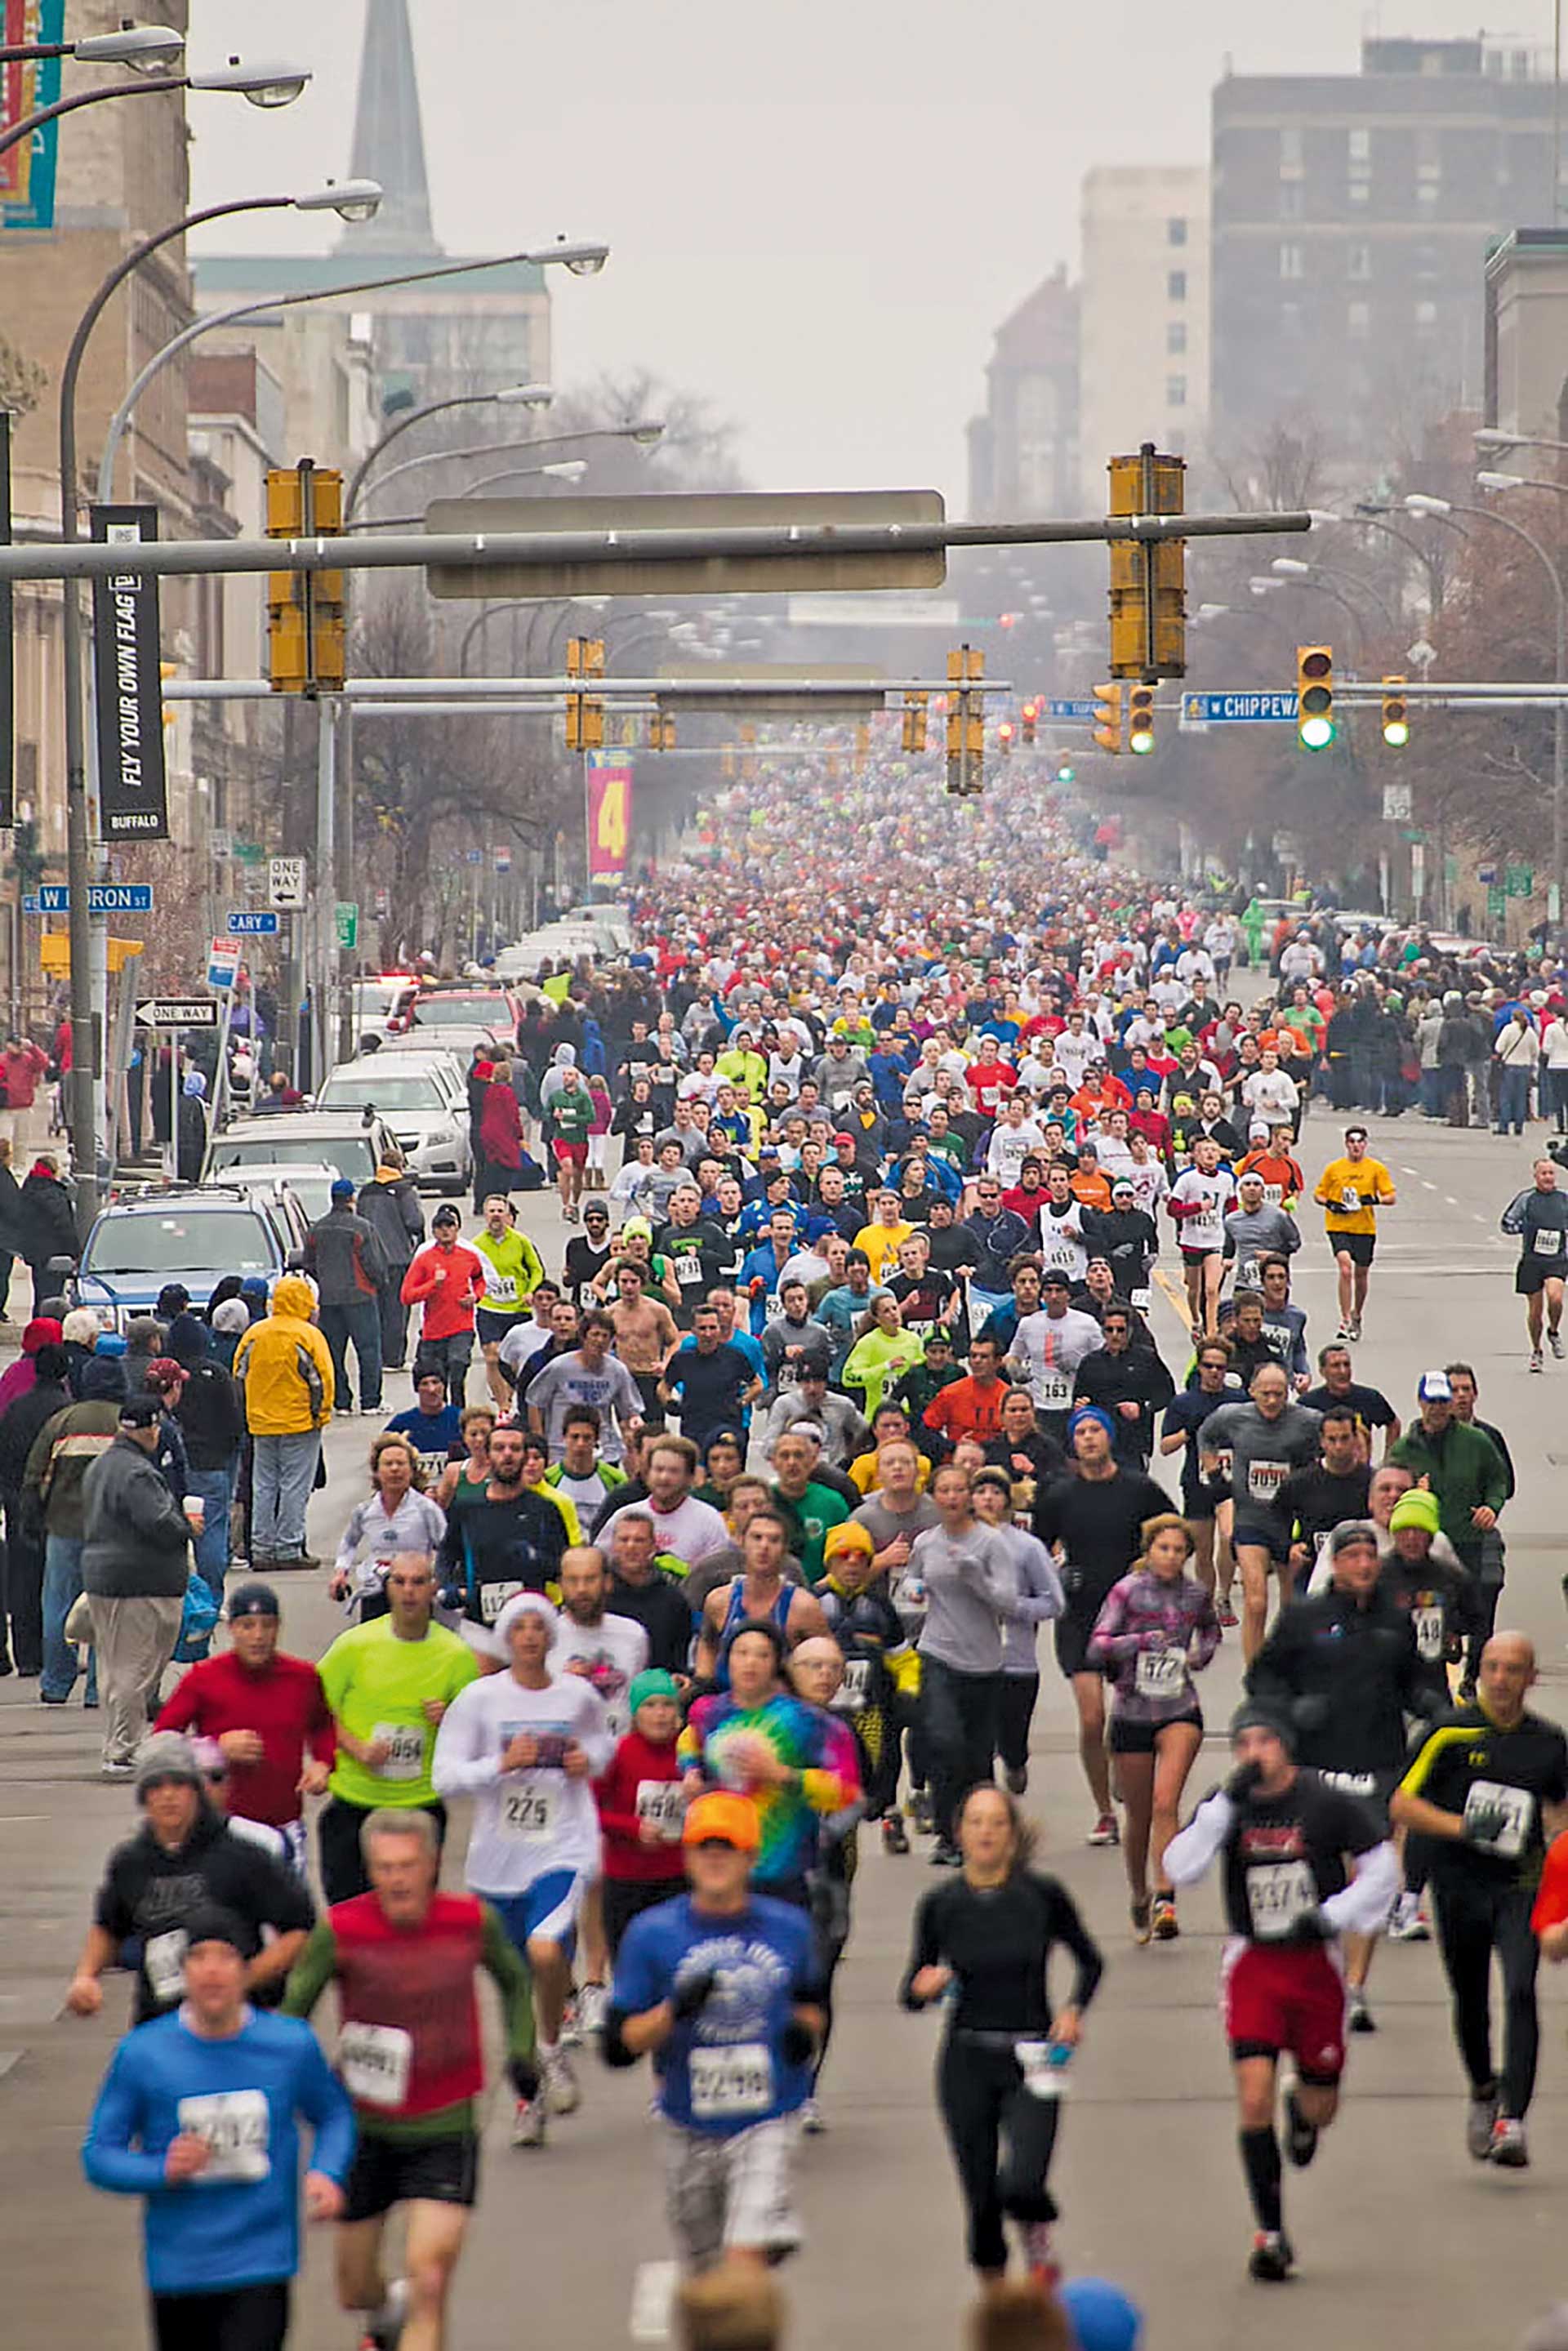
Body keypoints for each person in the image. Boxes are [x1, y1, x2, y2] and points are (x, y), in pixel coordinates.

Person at [282, 1806, 538, 2351]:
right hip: (362, 2128)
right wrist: (281, 2081)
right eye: (384, 1867)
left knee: (431, 2277)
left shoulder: (471, 1920)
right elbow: (292, 2013)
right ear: (370, 1869)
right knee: (354, 2289)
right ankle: (385, 2310)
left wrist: (522, 2052)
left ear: (432, 1864)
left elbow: (515, 1982)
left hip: (444, 2125)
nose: (397, 1878)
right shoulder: (341, 1929)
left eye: (407, 1865)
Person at [1163, 1703, 1399, 2282]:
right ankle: (1271, 2231)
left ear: (1287, 1747)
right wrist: (1220, 1807)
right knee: (1251, 2093)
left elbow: (1384, 1869)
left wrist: (1330, 1915)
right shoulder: (1229, 1806)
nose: (1254, 1753)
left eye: (1266, 1741)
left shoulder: (1324, 1801)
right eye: (1243, 1742)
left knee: (1323, 2104)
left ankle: (1303, 2106)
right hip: (1255, 1963)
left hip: (1315, 1965)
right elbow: (1179, 1865)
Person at [82, 1902, 354, 2351]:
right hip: (178, 2267)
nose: (212, 1972)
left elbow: (334, 2115)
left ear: (246, 1970)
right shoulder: (144, 2053)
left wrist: (327, 2171)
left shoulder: (288, 2045)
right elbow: (99, 2155)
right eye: (199, 1958)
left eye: (226, 1958)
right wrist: (161, 2170)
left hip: (261, 2260)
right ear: (182, 1971)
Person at [604, 1791, 824, 2274]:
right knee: (706, 2275)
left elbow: (812, 2006)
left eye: (727, 1847)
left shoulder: (790, 1928)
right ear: (686, 1855)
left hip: (767, 2117)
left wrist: (801, 2038)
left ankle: (765, 2230)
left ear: (751, 1856)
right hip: (686, 2119)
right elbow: (618, 2047)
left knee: (743, 2263)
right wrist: (672, 2012)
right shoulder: (652, 1934)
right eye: (704, 1846)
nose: (715, 1858)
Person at [901, 1784, 1102, 2286]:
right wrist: (924, 1987)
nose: (986, 1832)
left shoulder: (1041, 1895)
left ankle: (1036, 2236)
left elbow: (1090, 1961)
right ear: (959, 1833)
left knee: (1022, 2182)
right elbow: (911, 1989)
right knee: (981, 2203)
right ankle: (999, 2310)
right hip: (966, 2058)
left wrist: (1074, 2010)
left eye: (997, 1823)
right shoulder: (941, 1905)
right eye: (976, 1822)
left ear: (1012, 1835)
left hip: (1035, 2055)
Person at [433, 1591, 612, 2143]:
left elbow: (604, 1746)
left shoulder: (577, 1694)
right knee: (515, 1981)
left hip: (563, 1846)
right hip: (496, 1860)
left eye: (540, 1627)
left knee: (543, 1949)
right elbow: (445, 1777)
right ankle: (527, 2096)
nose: (531, 1636)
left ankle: (552, 2049)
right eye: (520, 1627)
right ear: (507, 1637)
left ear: (550, 1637)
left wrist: (590, 1759)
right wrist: (500, 1763)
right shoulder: (480, 1700)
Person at [1247, 1519, 1433, 2033]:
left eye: (1371, 1556)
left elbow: (1413, 1677)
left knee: (1371, 1874)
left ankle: (1354, 1986)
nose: (1365, 1565)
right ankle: (1315, 1971)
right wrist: (1289, 1710)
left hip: (1378, 1763)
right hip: (1314, 1767)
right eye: (1353, 1557)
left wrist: (1429, 1703)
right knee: (1322, 1877)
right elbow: (1261, 1676)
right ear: (1336, 1563)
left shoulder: (1396, 1620)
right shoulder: (1304, 1618)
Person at [1392, 1632, 1568, 2169]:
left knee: (1519, 1991)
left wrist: (1561, 1906)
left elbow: (1560, 1821)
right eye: (1492, 1666)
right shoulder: (1448, 1732)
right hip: (1458, 1884)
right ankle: (1482, 2087)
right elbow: (1401, 1803)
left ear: (1531, 1677)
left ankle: (1512, 2119)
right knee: (1470, 2000)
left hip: (1520, 1885)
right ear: (1480, 1671)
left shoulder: (1549, 1743)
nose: (1500, 1678)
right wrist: (1463, 1827)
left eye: (1513, 1669)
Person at [66, 1731, 314, 2027]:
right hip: (160, 2025)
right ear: (144, 1798)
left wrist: (248, 1978)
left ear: (197, 1791)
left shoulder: (241, 1856)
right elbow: (108, 1926)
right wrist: (86, 1977)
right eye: (156, 1786)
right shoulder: (131, 1862)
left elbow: (300, 1927)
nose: (168, 1795)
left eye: (179, 1784)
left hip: (235, 2023)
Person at [315, 1552, 482, 1904]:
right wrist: (356, 1748)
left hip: (420, 1806)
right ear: (388, 1588)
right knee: (349, 1921)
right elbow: (314, 1708)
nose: (409, 1592)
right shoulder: (355, 1645)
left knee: (410, 1920)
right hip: (355, 1801)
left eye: (419, 1582)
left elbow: (476, 1732)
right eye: (400, 1582)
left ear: (433, 1588)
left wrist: (451, 1719)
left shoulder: (456, 1655)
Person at [1033, 1411, 1165, 1848]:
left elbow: (1171, 1531)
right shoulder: (1060, 1495)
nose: (1089, 1439)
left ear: (1108, 1437)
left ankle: (1132, 1782)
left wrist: (1148, 1566)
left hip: (1132, 1614)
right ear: (1073, 1443)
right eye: (1081, 1433)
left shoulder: (1138, 1488)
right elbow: (1037, 1549)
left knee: (1132, 1717)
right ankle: (1105, 1813)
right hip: (1081, 1615)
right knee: (1092, 1718)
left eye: (1095, 1431)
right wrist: (1056, 1575)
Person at [1087, 1512, 1219, 1944]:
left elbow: (1210, 1631)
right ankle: (1140, 1891)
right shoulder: (1127, 1592)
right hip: (1132, 1710)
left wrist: (1200, 1655)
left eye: (1179, 1550)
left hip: (1179, 1707)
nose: (1171, 1556)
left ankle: (1166, 1897)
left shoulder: (1195, 1594)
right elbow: (1099, 1643)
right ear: (1149, 1551)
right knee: (1140, 1817)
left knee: (1167, 1803)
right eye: (1164, 1548)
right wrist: (1141, 1642)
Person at [155, 1582, 332, 1873]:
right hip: (222, 1829)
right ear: (231, 1629)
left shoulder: (302, 1678)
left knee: (288, 1915)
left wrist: (323, 1764)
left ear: (278, 1628)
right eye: (247, 1626)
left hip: (284, 1825)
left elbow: (324, 1726)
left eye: (267, 1626)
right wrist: (214, 1748)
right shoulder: (204, 1679)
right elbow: (161, 1743)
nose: (258, 1636)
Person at [680, 1621, 858, 1904]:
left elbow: (848, 1793)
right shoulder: (708, 1711)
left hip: (785, 1869)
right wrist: (691, 1772)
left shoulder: (808, 1721)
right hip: (721, 1865)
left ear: (777, 1663)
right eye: (742, 1653)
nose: (751, 1662)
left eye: (762, 1655)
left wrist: (784, 1775)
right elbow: (688, 1740)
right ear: (727, 1660)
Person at [911, 1462, 1022, 1864]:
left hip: (985, 1662)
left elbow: (1009, 1603)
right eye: (945, 1490)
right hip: (937, 1653)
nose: (953, 1497)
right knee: (945, 1742)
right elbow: (912, 1589)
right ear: (934, 1496)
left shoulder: (991, 1544)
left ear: (971, 1497)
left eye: (961, 1490)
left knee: (977, 1758)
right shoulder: (926, 1543)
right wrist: (912, 1595)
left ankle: (982, 1834)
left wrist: (977, 1578)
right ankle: (947, 1833)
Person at [82, 1395, 196, 1779]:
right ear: (148, 1428)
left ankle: (117, 1743)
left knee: (114, 1668)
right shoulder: (137, 1473)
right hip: (140, 1583)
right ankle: (124, 1749)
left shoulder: (100, 1467)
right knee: (137, 1669)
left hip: (105, 1577)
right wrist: (186, 1526)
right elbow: (159, 1523)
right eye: (157, 1426)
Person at [1197, 1364, 1322, 1663]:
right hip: (1251, 1518)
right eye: (1265, 1394)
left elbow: (1343, 1436)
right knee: (1256, 1601)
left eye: (1278, 1394)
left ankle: (1292, 1664)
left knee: (1293, 1605)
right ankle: (1255, 1675)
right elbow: (1205, 1435)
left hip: (1290, 1523)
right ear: (1252, 1391)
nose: (1271, 1401)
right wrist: (1216, 1476)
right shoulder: (1234, 1416)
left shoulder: (1307, 1420)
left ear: (1287, 1394)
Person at [969, 1467, 1062, 1799]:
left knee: (1011, 1738)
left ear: (1009, 1500)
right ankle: (984, 1801)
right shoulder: (954, 1542)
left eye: (996, 1492)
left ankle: (1015, 1761)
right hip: (968, 1660)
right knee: (975, 1742)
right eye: (981, 1492)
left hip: (1016, 1661)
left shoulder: (1027, 1547)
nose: (988, 1498)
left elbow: (1054, 1603)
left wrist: (1015, 1607)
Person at [231, 1276, 334, 1570]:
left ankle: (261, 1548)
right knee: (294, 1486)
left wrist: (247, 1414)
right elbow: (321, 1380)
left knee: (263, 1485)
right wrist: (321, 1414)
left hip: (261, 1423)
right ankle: (288, 1547)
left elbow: (238, 1376)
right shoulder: (308, 1335)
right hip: (299, 1422)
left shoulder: (255, 1333)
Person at [434, 1419, 568, 1639]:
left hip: (531, 1625)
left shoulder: (545, 1510)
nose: (508, 1455)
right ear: (487, 1456)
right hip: (479, 1624)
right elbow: (446, 1555)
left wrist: (535, 1560)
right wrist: (449, 1588)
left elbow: (563, 1567)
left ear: (525, 1456)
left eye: (515, 1449)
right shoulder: (466, 1508)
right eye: (499, 1448)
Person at [594, 1667, 688, 1956]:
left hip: (677, 1878)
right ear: (635, 1713)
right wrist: (632, 1828)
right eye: (649, 1705)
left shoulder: (689, 1753)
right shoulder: (617, 1753)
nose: (660, 1713)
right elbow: (589, 1811)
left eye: (667, 1705)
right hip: (626, 1879)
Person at [332, 1435, 448, 1622]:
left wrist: (439, 1583)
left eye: (401, 1463)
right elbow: (349, 1543)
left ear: (411, 1470)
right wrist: (340, 1573)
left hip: (414, 1590)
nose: (395, 1469)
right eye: (388, 1464)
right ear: (377, 1471)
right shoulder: (365, 1511)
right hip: (375, 1588)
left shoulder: (426, 1509)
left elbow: (446, 1548)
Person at [303, 1179, 390, 1418]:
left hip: (329, 1300)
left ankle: (342, 1402)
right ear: (352, 1198)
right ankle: (370, 1401)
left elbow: (308, 1262)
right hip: (360, 1296)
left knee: (333, 1352)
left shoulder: (316, 1229)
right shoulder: (362, 1227)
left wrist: (323, 1282)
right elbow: (374, 1263)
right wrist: (380, 1284)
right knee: (369, 1349)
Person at [1312, 1124, 1396, 1341]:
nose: (1356, 1146)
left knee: (1361, 1274)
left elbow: (1391, 1197)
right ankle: (1345, 1318)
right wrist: (1331, 1204)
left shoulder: (1376, 1169)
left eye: (1360, 1142)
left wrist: (1373, 1200)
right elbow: (1318, 1195)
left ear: (1365, 1145)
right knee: (1345, 1269)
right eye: (1352, 1142)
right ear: (1346, 1145)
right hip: (1338, 1226)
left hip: (1364, 1227)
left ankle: (1357, 1313)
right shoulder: (1335, 1169)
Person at [401, 1204, 486, 1405]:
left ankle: (459, 1416)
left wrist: (476, 1296)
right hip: (433, 1332)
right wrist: (433, 1285)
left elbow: (480, 1279)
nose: (445, 1230)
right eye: (440, 1226)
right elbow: (406, 1296)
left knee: (457, 1370)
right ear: (434, 1232)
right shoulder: (425, 1260)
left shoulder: (468, 1256)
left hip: (461, 1327)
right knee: (438, 1383)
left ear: (457, 1229)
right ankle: (442, 1417)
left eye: (450, 1225)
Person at [470, 1194, 546, 1408]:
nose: (496, 1216)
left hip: (517, 1308)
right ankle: (503, 1407)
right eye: (491, 1211)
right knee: (492, 1356)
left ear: (507, 1215)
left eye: (499, 1211)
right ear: (485, 1215)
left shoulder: (521, 1241)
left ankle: (511, 1395)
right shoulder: (477, 1244)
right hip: (489, 1307)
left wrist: (531, 1292)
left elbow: (536, 1269)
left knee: (513, 1359)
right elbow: (471, 1274)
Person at [1501, 1155, 1568, 1370]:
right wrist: (1525, 1228)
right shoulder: (1526, 1198)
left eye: (1551, 1173)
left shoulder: (1564, 1199)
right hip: (1532, 1260)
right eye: (1544, 1174)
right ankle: (1537, 1350)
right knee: (1535, 1311)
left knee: (1555, 1298)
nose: (1548, 1177)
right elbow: (1507, 1223)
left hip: (1557, 1259)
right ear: (1536, 1176)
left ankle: (1554, 1331)